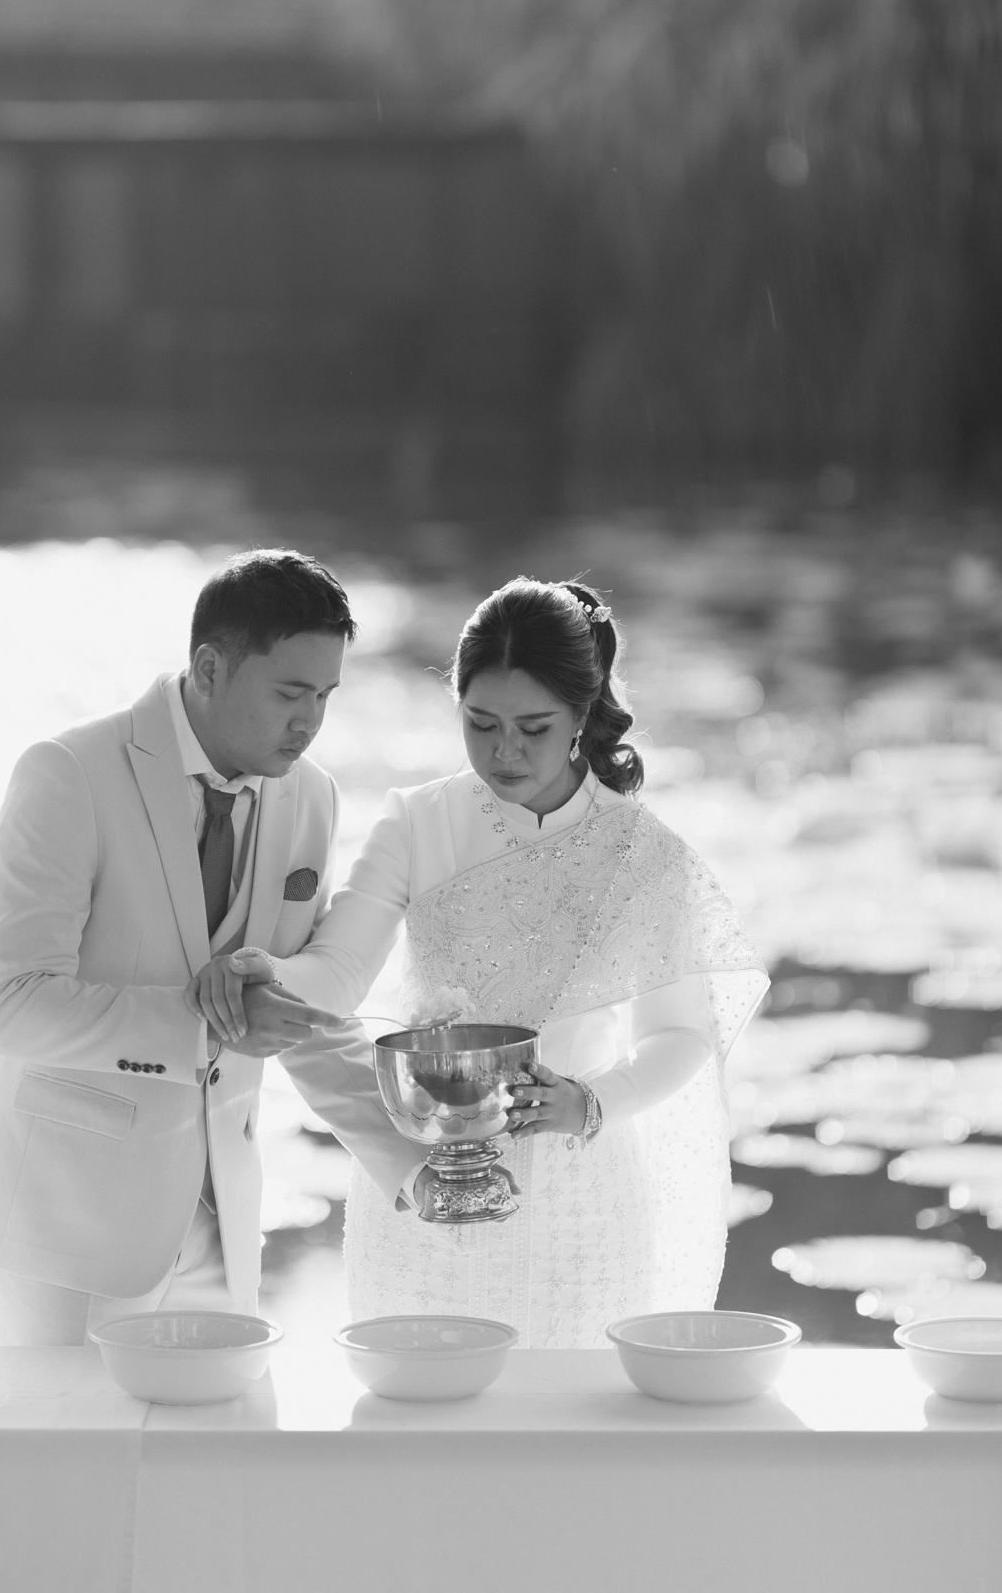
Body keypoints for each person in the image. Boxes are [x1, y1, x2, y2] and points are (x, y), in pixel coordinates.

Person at [211, 576, 768, 1348]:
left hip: (579, 1192)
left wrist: (591, 1102)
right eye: (480, 724)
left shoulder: (643, 853)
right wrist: (268, 974)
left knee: (568, 1411)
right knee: (417, 1408)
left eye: (533, 728)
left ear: (580, 714)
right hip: (427, 1176)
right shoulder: (418, 822)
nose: (503, 752)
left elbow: (680, 1035)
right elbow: (337, 970)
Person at [0, 548, 426, 1345]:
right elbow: (10, 1006)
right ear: (209, 668)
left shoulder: (310, 796)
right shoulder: (69, 773)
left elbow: (291, 1013)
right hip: (63, 1232)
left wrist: (413, 1158)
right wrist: (204, 1025)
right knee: (54, 1430)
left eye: (325, 695)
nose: (309, 721)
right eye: (289, 693)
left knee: (223, 1430)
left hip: (221, 1229)